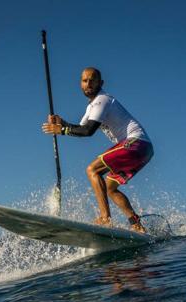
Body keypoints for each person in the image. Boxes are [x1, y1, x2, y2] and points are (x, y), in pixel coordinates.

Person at [42, 67, 154, 233]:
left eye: (92, 80)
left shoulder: (102, 100)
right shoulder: (92, 106)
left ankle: (104, 218)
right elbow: (81, 128)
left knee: (92, 169)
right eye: (85, 80)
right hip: (144, 150)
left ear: (100, 83)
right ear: (80, 84)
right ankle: (137, 225)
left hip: (136, 143)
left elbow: (88, 131)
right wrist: (62, 122)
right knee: (110, 188)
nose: (88, 84)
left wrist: (62, 130)